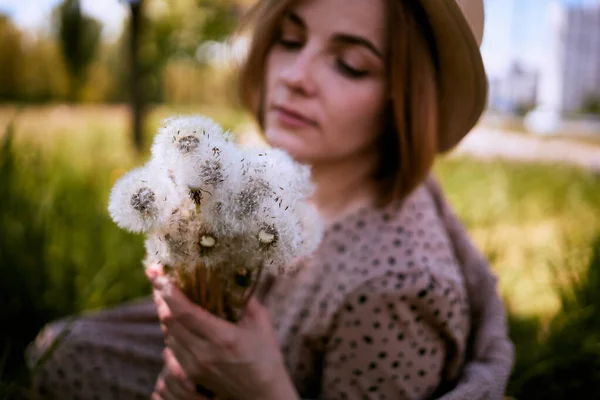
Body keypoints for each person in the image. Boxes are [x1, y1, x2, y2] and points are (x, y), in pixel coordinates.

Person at [26, 0, 514, 399]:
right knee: (60, 350)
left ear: (404, 97)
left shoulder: (395, 292)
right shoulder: (275, 174)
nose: (295, 76)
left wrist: (262, 391)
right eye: (290, 39)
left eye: (350, 64)